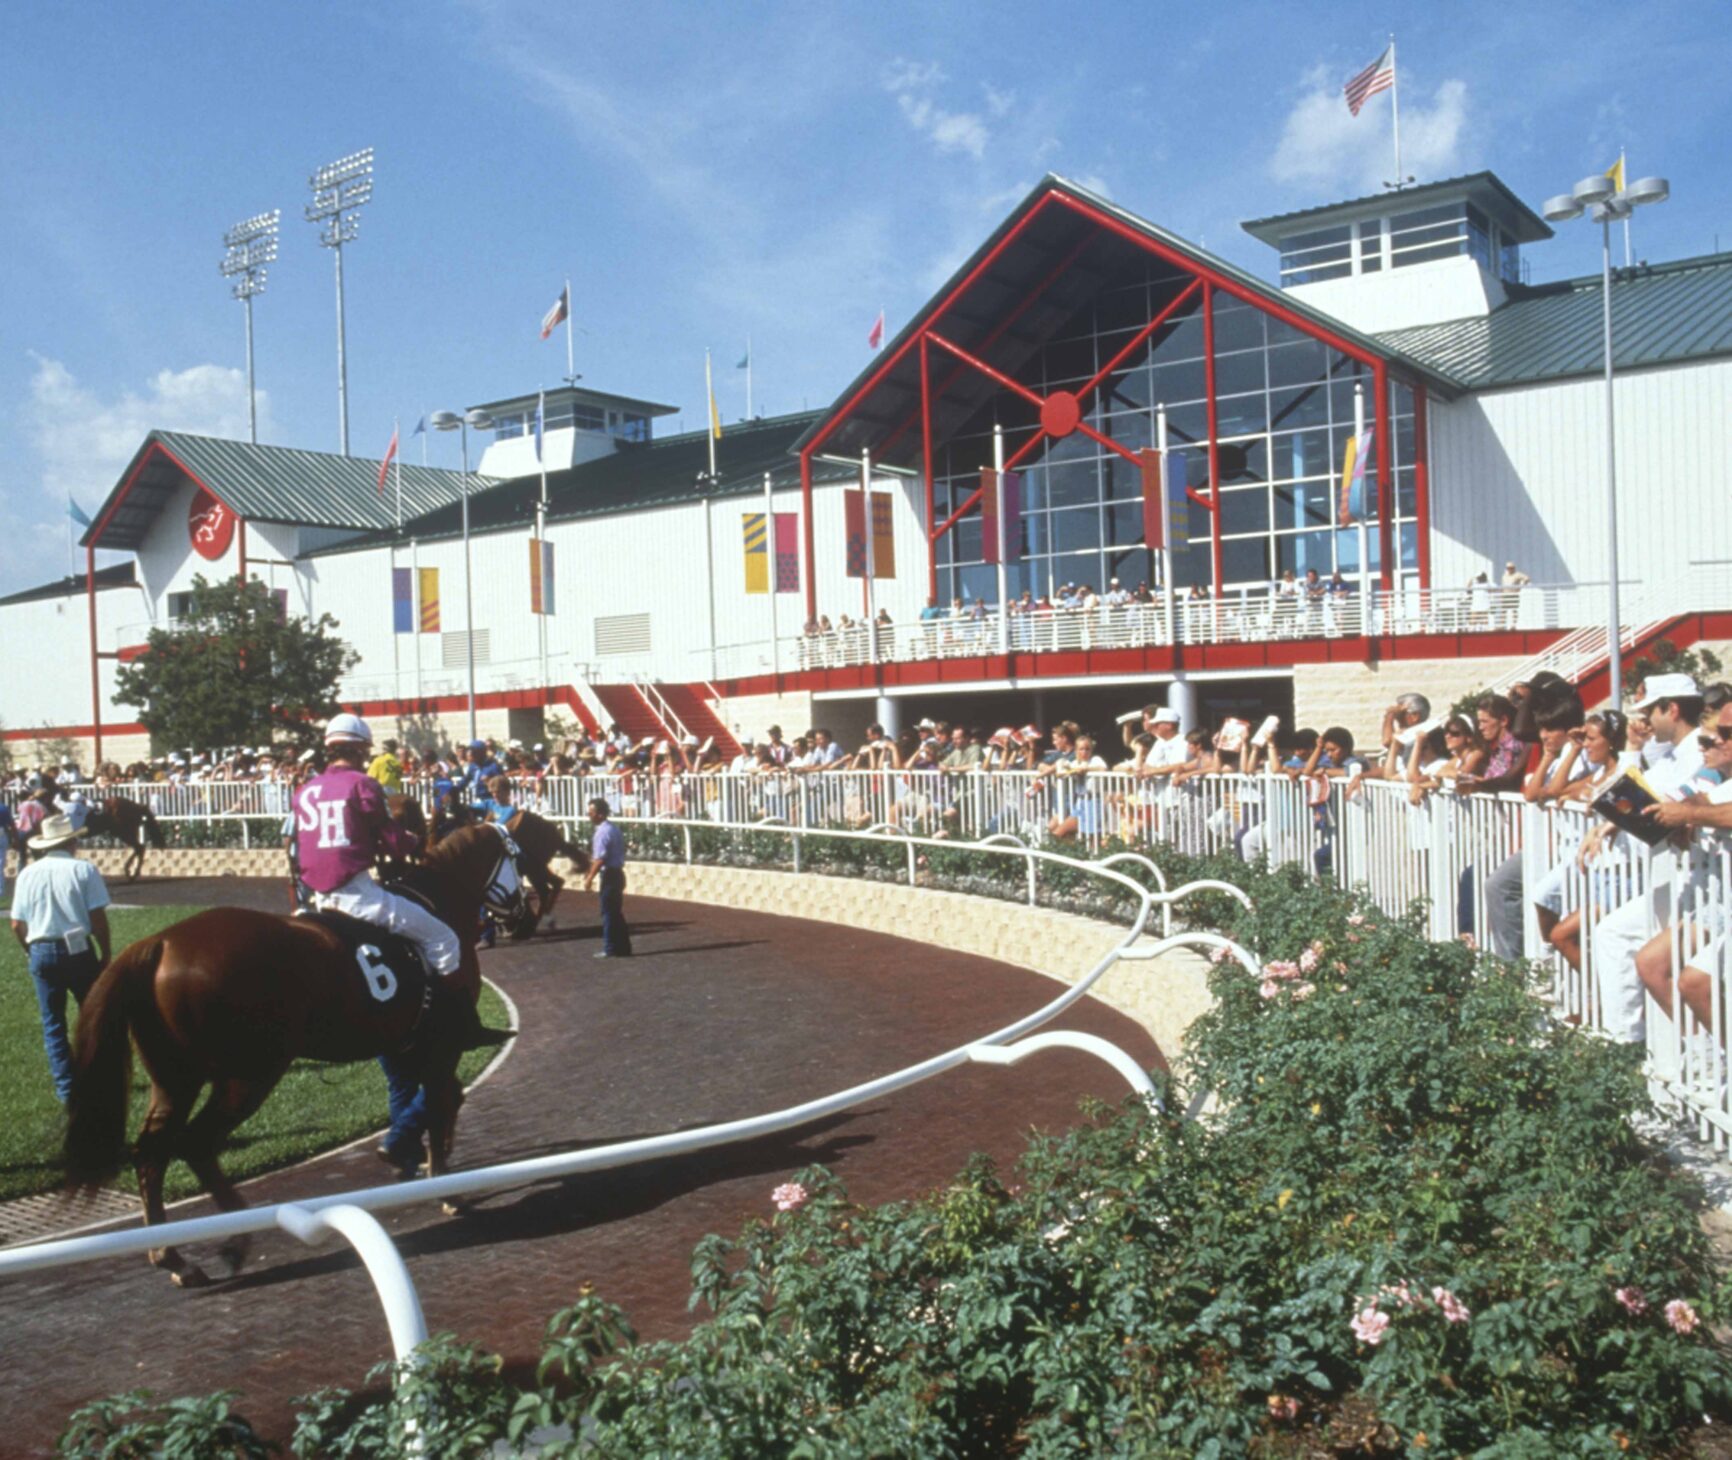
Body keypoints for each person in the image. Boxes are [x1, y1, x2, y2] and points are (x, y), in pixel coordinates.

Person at [8, 812, 111, 1103]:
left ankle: (66, 1089)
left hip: (41, 947)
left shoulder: (28, 873)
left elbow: (17, 923)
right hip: (78, 949)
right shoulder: (83, 870)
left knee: (53, 1023)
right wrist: (106, 952)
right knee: (92, 1017)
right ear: (71, 843)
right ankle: (99, 1077)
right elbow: (98, 918)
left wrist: (30, 950)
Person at [583, 796, 631, 958]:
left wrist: (589, 877)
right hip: (617, 874)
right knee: (615, 911)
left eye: (591, 812)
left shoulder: (603, 832)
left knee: (609, 912)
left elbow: (600, 858)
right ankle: (623, 946)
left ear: (600, 814)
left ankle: (610, 947)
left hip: (610, 875)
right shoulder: (613, 829)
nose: (589, 815)